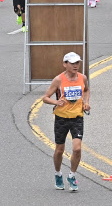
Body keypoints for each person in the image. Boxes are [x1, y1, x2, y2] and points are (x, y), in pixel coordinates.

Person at [42, 51, 89, 192]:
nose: (76, 66)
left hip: (77, 117)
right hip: (61, 118)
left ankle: (72, 176)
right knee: (59, 150)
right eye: (72, 63)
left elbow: (86, 90)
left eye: (78, 63)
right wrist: (56, 101)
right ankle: (58, 174)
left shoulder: (83, 78)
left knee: (77, 148)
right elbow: (45, 97)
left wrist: (86, 103)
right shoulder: (59, 80)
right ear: (65, 64)